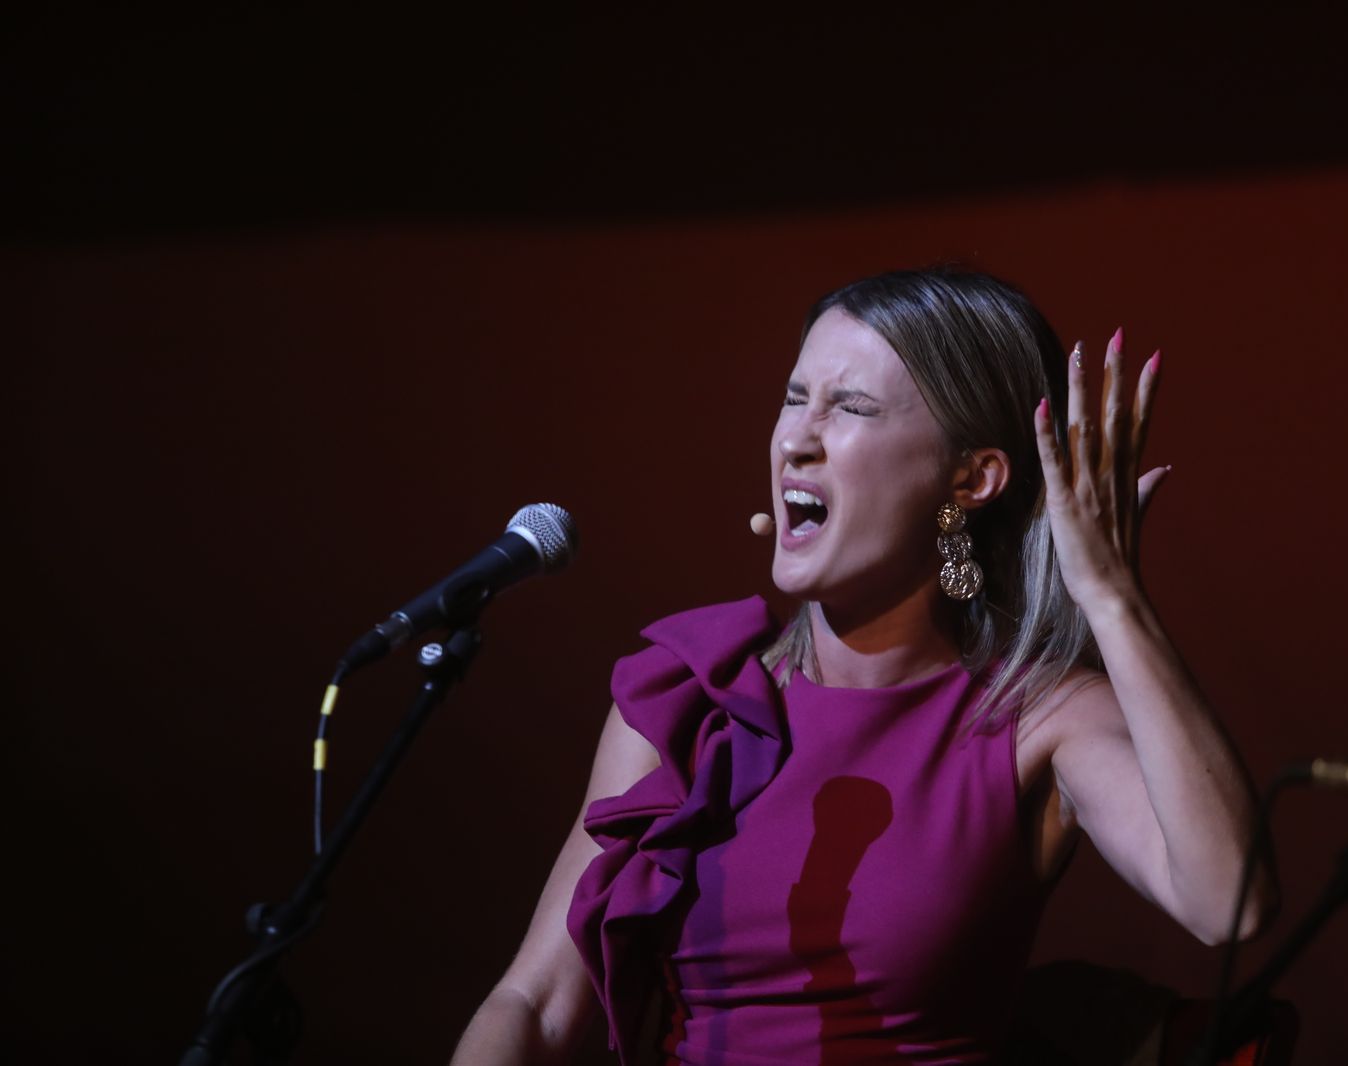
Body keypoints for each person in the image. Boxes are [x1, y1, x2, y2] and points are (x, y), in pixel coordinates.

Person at [451, 269, 1275, 1065]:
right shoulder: (690, 695)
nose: (796, 441)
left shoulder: (1037, 718)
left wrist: (1110, 595)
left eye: (850, 407)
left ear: (972, 476)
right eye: (792, 398)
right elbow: (533, 1005)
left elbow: (1224, 904)